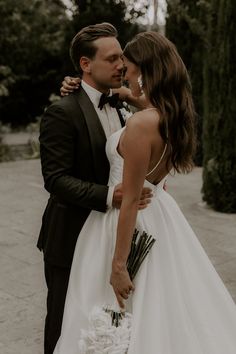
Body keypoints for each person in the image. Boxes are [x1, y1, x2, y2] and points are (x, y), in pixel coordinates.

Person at [53, 31, 236, 353]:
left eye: (127, 62)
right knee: (161, 305)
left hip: (126, 222)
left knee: (111, 305)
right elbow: (136, 98)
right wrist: (84, 87)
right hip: (161, 218)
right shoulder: (171, 114)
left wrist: (119, 265)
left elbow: (132, 199)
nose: (122, 67)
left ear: (144, 68)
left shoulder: (140, 124)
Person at [38, 22, 152, 354]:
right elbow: (55, 179)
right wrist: (110, 195)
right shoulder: (62, 112)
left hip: (114, 236)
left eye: (123, 58)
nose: (122, 65)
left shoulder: (121, 105)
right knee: (64, 325)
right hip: (71, 237)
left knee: (108, 319)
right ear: (85, 64)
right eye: (113, 59)